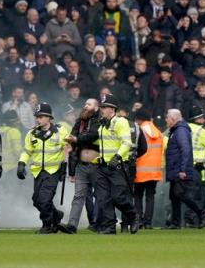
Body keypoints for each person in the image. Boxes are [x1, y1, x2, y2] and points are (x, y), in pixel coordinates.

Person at [17, 103, 69, 234]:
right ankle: (56, 215)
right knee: (36, 201)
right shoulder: (31, 133)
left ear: (49, 117)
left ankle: (47, 224)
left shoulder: (60, 131)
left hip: (53, 171)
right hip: (38, 172)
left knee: (44, 199)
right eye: (37, 117)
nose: (38, 119)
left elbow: (68, 147)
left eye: (41, 116)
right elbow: (27, 151)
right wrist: (21, 163)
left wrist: (67, 166)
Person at [95, 94, 139, 234]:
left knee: (118, 197)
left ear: (112, 109)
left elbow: (127, 143)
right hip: (102, 166)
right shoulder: (102, 123)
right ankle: (110, 226)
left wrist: (117, 157)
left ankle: (133, 215)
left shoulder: (120, 122)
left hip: (116, 166)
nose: (102, 109)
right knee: (103, 199)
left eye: (104, 107)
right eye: (102, 107)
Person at [58, 98, 101, 234]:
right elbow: (73, 137)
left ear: (96, 107)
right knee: (78, 196)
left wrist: (76, 139)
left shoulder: (100, 120)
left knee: (100, 195)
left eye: (89, 104)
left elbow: (93, 136)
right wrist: (71, 141)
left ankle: (99, 223)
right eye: (85, 104)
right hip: (81, 165)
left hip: (97, 165)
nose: (85, 106)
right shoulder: (80, 121)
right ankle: (72, 226)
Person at [163, 109, 205, 229]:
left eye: (167, 117)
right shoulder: (176, 130)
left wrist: (182, 169)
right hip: (175, 168)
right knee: (174, 196)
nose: (166, 120)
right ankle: (175, 222)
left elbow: (186, 150)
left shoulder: (181, 131)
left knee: (181, 194)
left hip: (179, 169)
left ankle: (201, 213)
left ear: (173, 119)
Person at [133, 109, 163, 229]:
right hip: (154, 170)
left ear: (139, 119)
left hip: (140, 169)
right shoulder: (158, 132)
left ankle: (138, 220)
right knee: (150, 196)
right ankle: (148, 222)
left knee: (138, 195)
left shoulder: (140, 131)